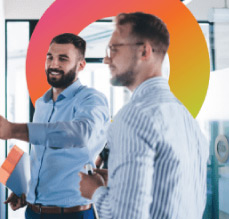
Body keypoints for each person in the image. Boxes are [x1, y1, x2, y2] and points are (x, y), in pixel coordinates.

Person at [79, 12, 209, 219]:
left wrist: (94, 190)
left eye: (113, 49)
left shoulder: (133, 117)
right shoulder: (186, 118)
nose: (106, 59)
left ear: (144, 52)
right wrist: (120, 180)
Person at [0, 33, 110, 219]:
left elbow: (80, 134)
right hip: (33, 211)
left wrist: (13, 130)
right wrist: (27, 190)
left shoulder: (91, 99)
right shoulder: (42, 103)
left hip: (72, 215)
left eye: (63, 59)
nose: (53, 64)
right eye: (50, 57)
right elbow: (42, 155)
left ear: (80, 65)